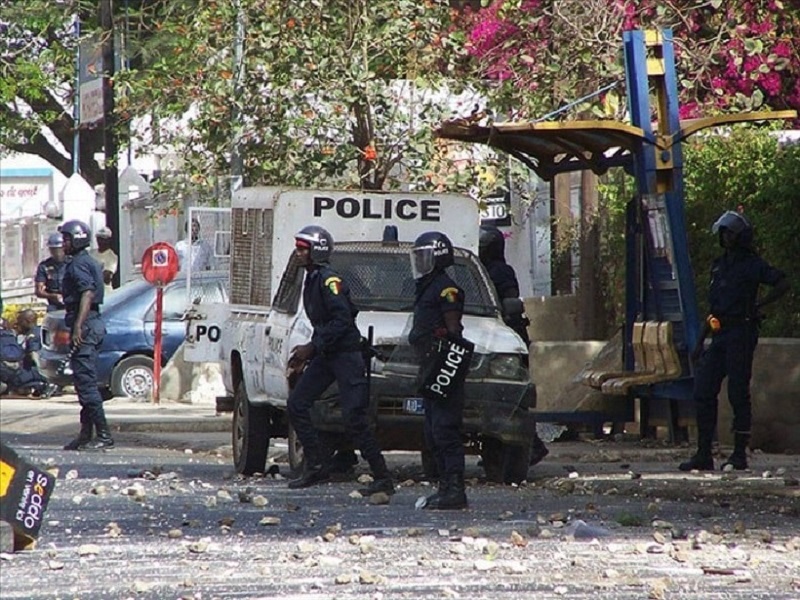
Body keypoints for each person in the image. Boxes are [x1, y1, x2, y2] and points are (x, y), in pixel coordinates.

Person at [285, 225, 394, 496]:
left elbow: (342, 320)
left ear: (316, 252)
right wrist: (309, 351)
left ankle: (382, 477)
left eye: (302, 249)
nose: (297, 253)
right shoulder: (312, 278)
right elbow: (323, 322)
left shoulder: (328, 279)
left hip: (345, 355)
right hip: (327, 354)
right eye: (297, 248)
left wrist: (312, 347)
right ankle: (316, 465)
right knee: (297, 403)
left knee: (355, 416)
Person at [679, 210, 788, 472]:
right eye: (723, 233)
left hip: (742, 331)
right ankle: (704, 452)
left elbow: (782, 282)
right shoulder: (719, 265)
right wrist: (699, 343)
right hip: (719, 333)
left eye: (730, 233)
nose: (726, 238)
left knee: (738, 392)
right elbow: (714, 307)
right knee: (703, 391)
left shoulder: (752, 264)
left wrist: (759, 306)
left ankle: (739, 453)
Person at [479, 225, 549, 467]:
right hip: (500, 334)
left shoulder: (501, 271)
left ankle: (533, 446)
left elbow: (510, 301)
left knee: (512, 397)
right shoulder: (482, 269)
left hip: (510, 336)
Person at [409, 231, 468, 510]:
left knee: (445, 429)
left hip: (444, 367)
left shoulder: (447, 289)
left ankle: (455, 490)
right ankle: (444, 487)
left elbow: (453, 330)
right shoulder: (427, 286)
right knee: (432, 431)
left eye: (424, 256)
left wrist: (445, 358)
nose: (419, 263)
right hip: (430, 365)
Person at [59, 220, 113, 451]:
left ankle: (104, 435)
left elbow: (87, 293)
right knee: (83, 382)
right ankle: (85, 434)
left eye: (67, 239)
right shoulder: (85, 261)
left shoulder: (79, 264)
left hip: (87, 325)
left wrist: (78, 326)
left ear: (77, 239)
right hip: (92, 324)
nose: (63, 244)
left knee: (87, 384)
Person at [0, 313, 57, 398]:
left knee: (16, 379)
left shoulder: (32, 335)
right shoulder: (40, 330)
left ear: (27, 321)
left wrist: (40, 369)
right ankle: (39, 386)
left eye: (20, 321)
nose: (17, 323)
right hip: (45, 369)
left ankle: (38, 386)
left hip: (29, 371)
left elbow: (33, 354)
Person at [35, 232, 68, 312]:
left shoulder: (73, 264)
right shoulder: (44, 266)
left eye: (59, 249)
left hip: (71, 304)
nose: (57, 253)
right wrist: (52, 296)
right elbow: (39, 291)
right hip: (54, 305)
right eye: (53, 250)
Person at [88, 226, 118, 295]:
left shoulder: (112, 256)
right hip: (91, 293)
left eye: (103, 239)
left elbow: (106, 278)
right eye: (99, 238)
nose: (101, 241)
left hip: (105, 293)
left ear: (109, 240)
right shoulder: (91, 253)